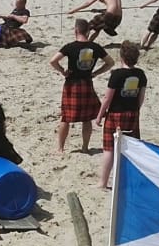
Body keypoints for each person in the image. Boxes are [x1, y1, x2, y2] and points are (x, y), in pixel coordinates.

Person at [50, 18, 114, 154]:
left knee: (66, 118)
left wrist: (62, 71)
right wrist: (96, 73)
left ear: (76, 30)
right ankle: (85, 147)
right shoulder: (95, 47)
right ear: (88, 31)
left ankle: (60, 148)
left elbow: (53, 61)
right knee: (87, 118)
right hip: (86, 83)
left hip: (71, 84)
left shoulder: (70, 46)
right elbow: (110, 62)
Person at [96, 41, 147, 189]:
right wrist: (136, 109)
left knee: (109, 149)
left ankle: (103, 182)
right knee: (130, 149)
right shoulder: (140, 74)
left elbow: (107, 98)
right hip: (132, 113)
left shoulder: (117, 75)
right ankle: (129, 182)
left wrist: (100, 116)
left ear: (122, 57)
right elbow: (141, 97)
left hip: (115, 114)